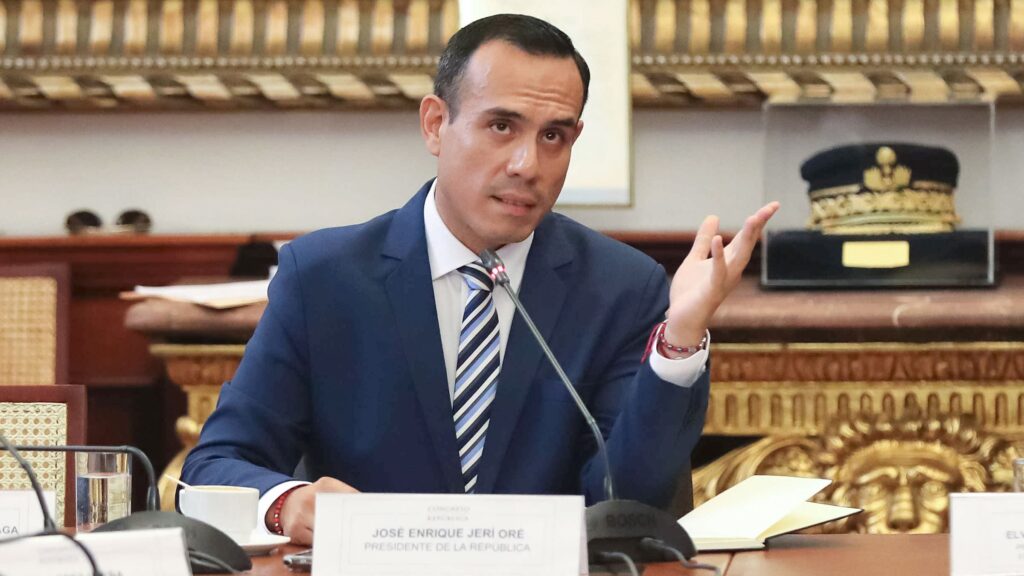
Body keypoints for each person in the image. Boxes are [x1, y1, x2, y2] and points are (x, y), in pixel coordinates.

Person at [181, 13, 778, 546]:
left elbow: (627, 502)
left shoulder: (621, 287)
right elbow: (215, 466)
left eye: (553, 136)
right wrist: (289, 503)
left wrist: (679, 340)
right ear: (435, 124)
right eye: (501, 126)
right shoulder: (324, 279)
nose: (527, 165)